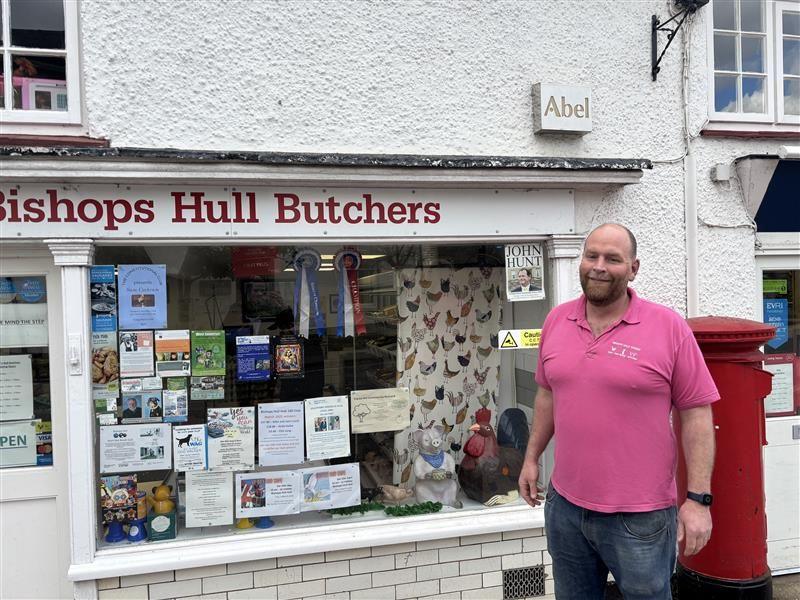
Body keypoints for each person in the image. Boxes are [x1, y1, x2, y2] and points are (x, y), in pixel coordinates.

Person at [518, 223, 718, 600]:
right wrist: (532, 459)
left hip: (641, 517)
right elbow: (547, 394)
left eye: (612, 258)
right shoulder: (557, 320)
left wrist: (698, 500)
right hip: (565, 508)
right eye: (591, 255)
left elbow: (696, 414)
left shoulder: (668, 327)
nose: (598, 266)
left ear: (633, 268)